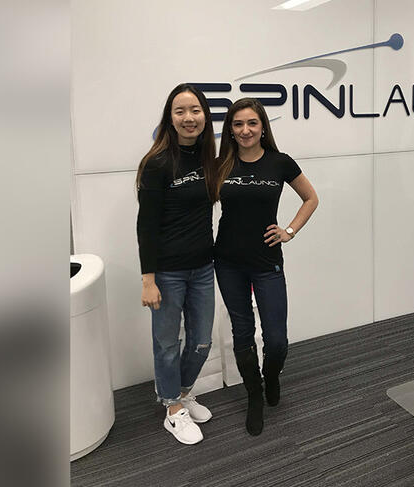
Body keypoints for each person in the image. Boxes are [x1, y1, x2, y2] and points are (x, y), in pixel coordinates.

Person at [209, 98, 319, 436]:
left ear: (262, 127)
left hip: (267, 262)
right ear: (230, 128)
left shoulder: (279, 162)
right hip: (227, 262)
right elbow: (196, 207)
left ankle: (270, 376)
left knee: (277, 341)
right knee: (242, 333)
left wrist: (289, 231)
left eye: (252, 123)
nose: (245, 130)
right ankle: (254, 394)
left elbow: (311, 198)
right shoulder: (219, 165)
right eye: (238, 124)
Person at [136, 84, 218, 445]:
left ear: (205, 115)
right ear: (170, 118)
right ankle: (172, 408)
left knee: (200, 342)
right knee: (167, 343)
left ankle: (181, 392)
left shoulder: (209, 159)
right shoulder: (156, 163)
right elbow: (146, 225)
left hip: (203, 268)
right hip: (167, 273)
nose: (189, 118)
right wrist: (148, 279)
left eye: (195, 110)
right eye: (180, 111)